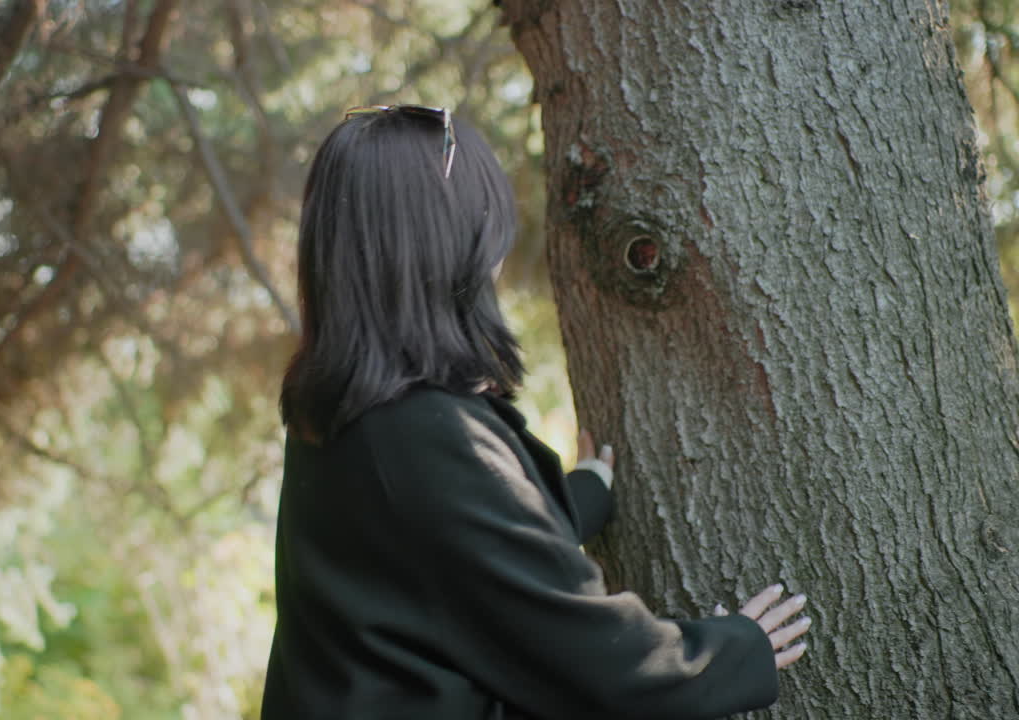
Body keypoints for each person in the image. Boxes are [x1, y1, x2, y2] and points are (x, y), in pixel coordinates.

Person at [260, 105, 810, 719]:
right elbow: (587, 658)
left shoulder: (345, 409)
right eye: (485, 217)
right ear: (446, 243)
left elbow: (445, 558)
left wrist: (580, 496)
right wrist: (733, 650)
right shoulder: (425, 435)